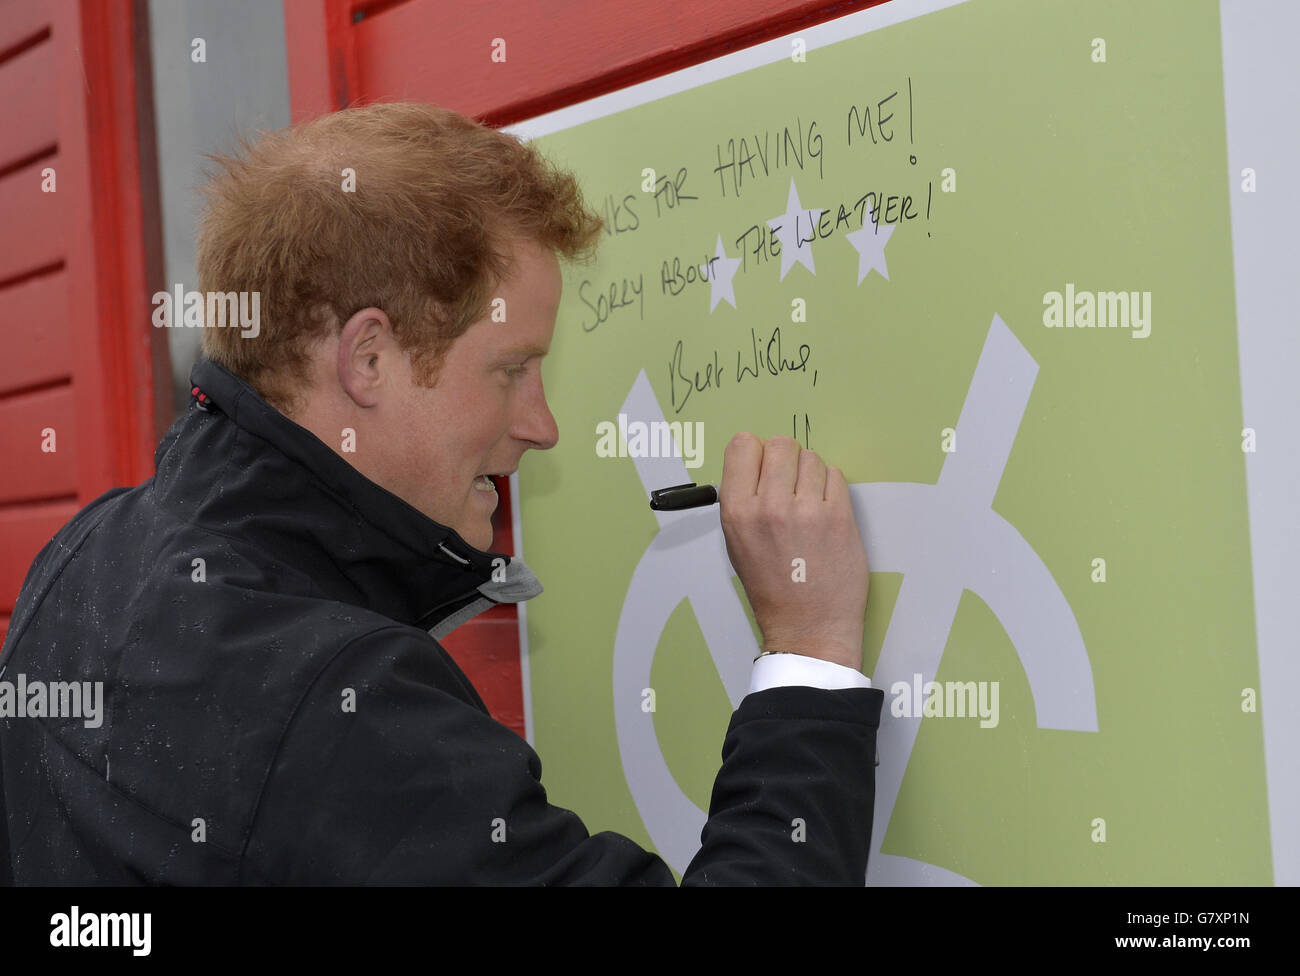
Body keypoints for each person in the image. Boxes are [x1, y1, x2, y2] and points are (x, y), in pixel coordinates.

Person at [0, 102, 883, 885]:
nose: (542, 425)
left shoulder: (84, 554)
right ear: (369, 359)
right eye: (512, 370)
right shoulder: (341, 711)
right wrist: (810, 651)